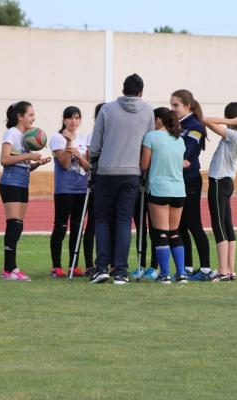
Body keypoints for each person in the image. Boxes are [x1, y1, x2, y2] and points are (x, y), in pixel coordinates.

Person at [89, 74, 155, 285]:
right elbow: (149, 142)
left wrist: (95, 159)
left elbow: (95, 144)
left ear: (123, 89)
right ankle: (121, 271)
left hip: (106, 171)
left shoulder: (107, 110)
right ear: (141, 92)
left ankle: (102, 268)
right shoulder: (147, 111)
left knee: (102, 219)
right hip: (132, 172)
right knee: (124, 221)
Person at [0, 101, 51, 281]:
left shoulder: (26, 137)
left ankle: (11, 268)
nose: (33, 118)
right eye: (30, 114)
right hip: (10, 182)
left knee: (18, 225)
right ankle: (9, 269)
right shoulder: (12, 133)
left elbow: (24, 165)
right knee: (13, 224)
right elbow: (4, 159)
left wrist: (36, 163)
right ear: (20, 116)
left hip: (22, 182)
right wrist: (29, 155)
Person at [140, 107, 188, 283]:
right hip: (178, 190)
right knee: (174, 231)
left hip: (159, 188)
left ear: (158, 119)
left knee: (161, 232)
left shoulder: (151, 137)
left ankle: (165, 274)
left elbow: (144, 165)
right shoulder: (179, 139)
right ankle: (181, 273)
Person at [203, 103, 237, 281]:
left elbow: (205, 120)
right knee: (227, 224)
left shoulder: (233, 133)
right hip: (227, 181)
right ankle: (230, 269)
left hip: (219, 180)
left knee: (218, 224)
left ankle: (223, 270)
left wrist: (230, 121)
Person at [171, 89, 212, 281]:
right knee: (180, 225)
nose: (173, 109)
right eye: (171, 105)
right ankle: (186, 267)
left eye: (176, 105)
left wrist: (178, 157)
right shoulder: (176, 126)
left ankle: (205, 269)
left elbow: (187, 152)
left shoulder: (195, 126)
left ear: (187, 106)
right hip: (178, 178)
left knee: (194, 223)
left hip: (190, 179)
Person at [49, 106, 90, 278]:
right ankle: (56, 266)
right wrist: (68, 144)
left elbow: (87, 167)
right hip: (64, 189)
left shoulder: (84, 138)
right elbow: (65, 164)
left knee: (77, 228)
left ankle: (74, 265)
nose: (74, 121)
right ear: (64, 119)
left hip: (82, 189)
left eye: (77, 118)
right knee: (60, 227)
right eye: (70, 118)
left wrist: (79, 156)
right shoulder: (57, 138)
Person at [84, 103, 105, 278]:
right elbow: (88, 161)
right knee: (92, 224)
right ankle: (90, 263)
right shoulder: (91, 136)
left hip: (109, 181)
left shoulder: (113, 133)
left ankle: (109, 262)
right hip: (95, 182)